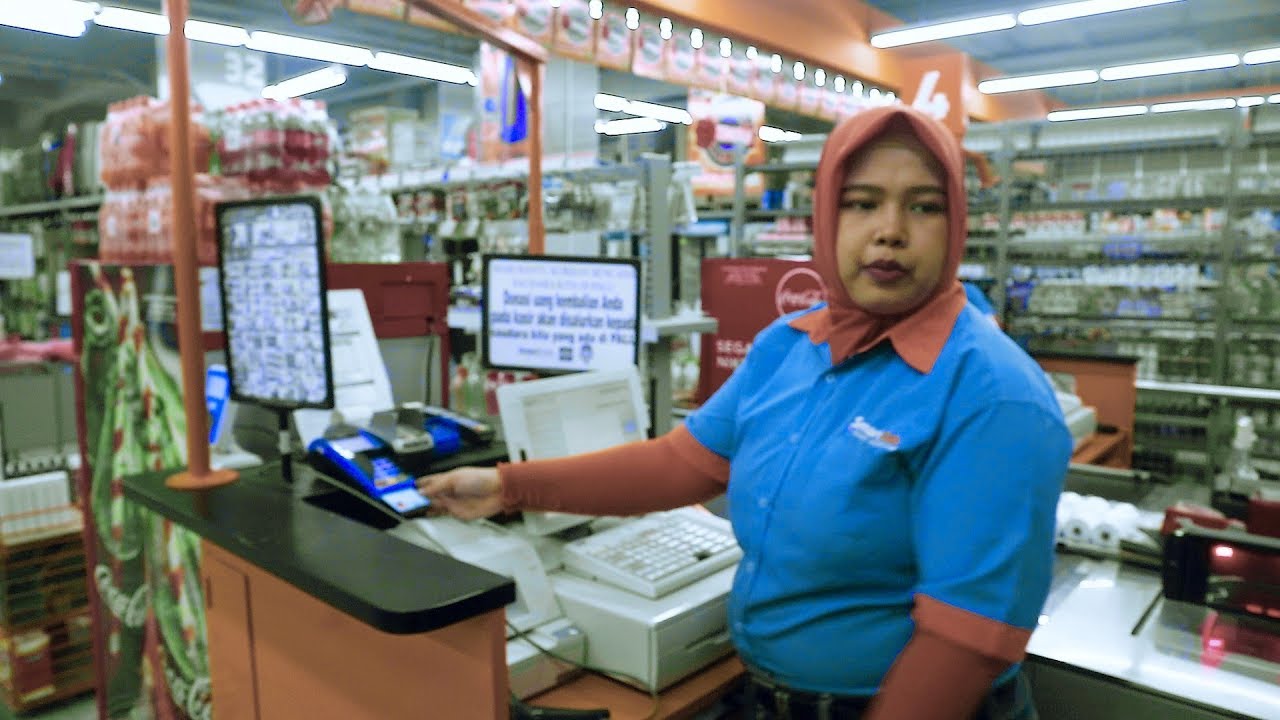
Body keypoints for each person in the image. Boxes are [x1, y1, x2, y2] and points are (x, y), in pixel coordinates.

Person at [419, 105, 1072, 720]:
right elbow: (680, 464)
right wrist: (509, 485)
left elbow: (967, 640)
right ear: (825, 217)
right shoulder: (790, 346)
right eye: (861, 203)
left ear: (956, 223)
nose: (890, 230)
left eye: (924, 207)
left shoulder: (992, 393)